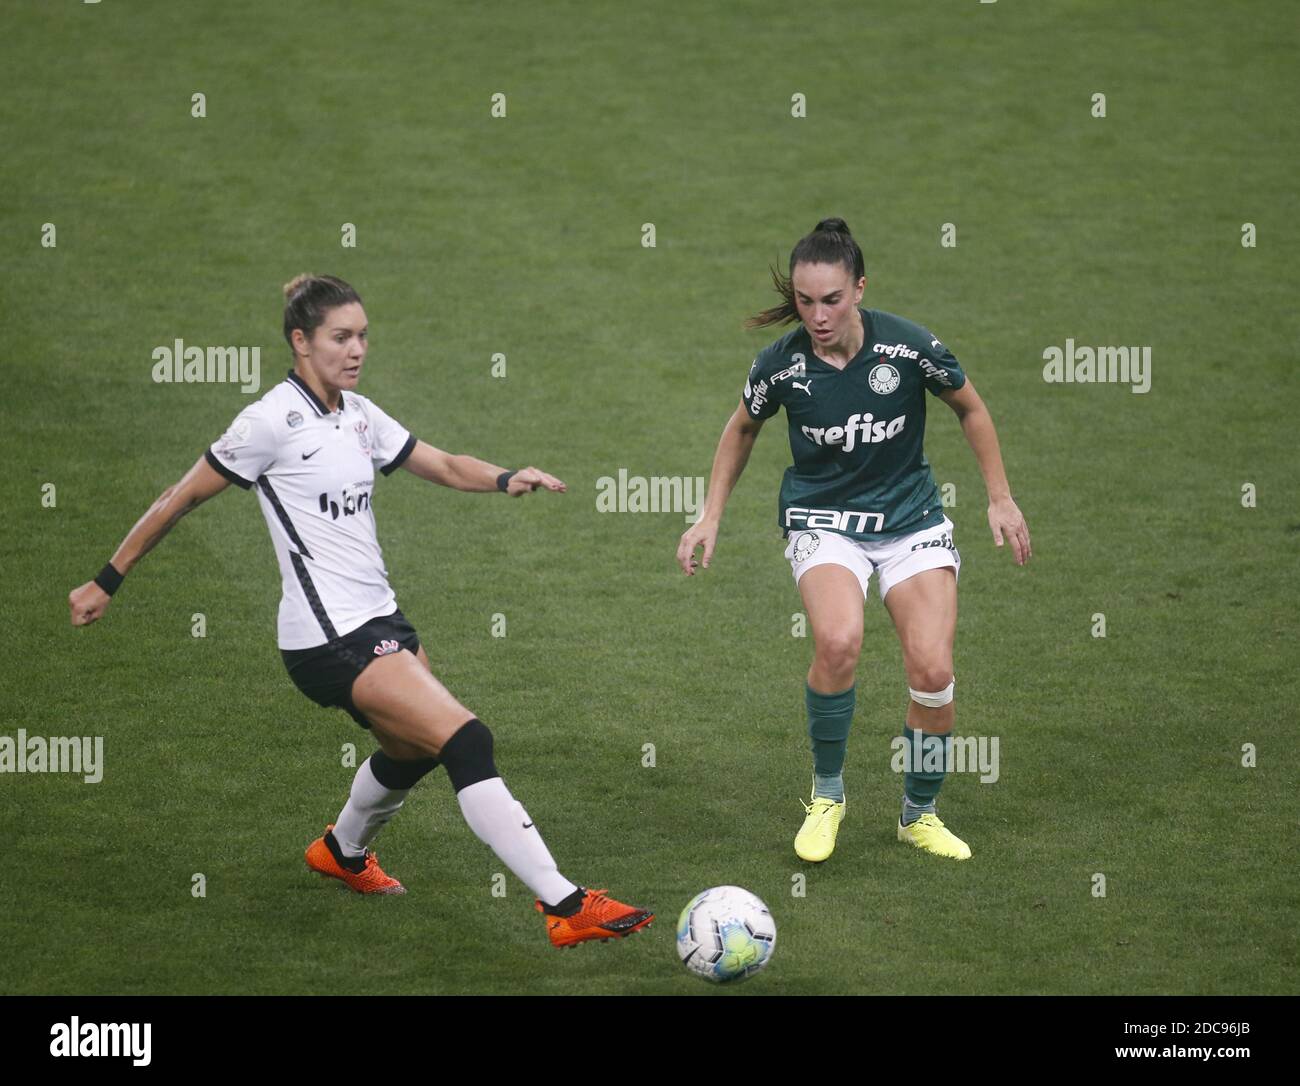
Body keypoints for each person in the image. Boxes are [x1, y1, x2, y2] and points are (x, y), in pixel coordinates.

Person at [68, 274, 653, 948]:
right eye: (340, 337)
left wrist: (504, 477)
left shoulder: (357, 413)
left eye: (362, 336)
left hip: (381, 620)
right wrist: (107, 578)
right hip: (325, 639)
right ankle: (564, 904)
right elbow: (181, 495)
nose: (356, 350)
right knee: (467, 739)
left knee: (411, 751)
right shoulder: (267, 423)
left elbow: (439, 461)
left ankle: (340, 854)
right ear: (300, 341)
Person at [676, 219, 1031, 863]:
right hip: (823, 520)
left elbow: (970, 408)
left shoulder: (910, 349)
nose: (817, 315)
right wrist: (710, 516)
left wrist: (999, 496)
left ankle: (918, 814)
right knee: (839, 641)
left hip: (911, 521)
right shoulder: (781, 366)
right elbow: (741, 430)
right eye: (806, 301)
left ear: (859, 289)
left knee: (933, 669)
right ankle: (828, 794)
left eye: (831, 300)